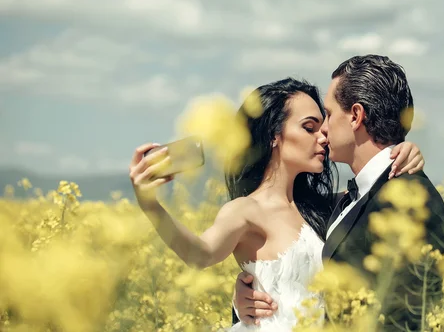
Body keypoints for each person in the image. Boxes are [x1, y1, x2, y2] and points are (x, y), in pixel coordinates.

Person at [128, 77, 426, 331]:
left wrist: (403, 151)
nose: (323, 138)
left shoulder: (330, 208)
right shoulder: (245, 211)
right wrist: (150, 206)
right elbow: (200, 254)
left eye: (323, 129)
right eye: (309, 128)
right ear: (274, 135)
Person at [233, 55, 444, 331]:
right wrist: (247, 302)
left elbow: (411, 316)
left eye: (329, 114)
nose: (324, 129)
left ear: (356, 116)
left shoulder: (410, 201)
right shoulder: (348, 199)